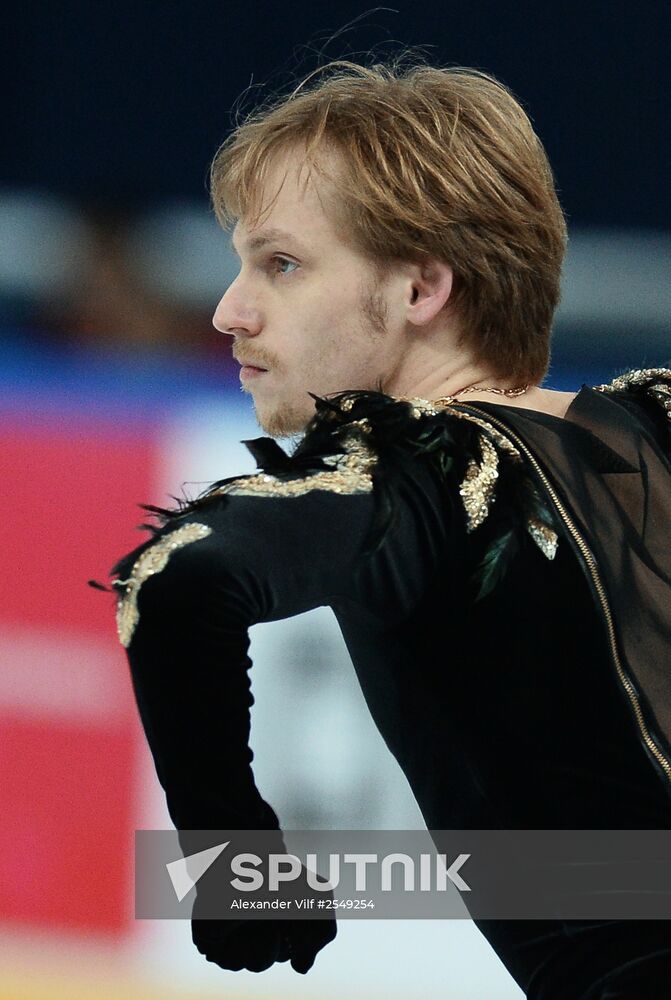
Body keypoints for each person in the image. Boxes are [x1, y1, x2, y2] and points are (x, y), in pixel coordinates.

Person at [89, 58, 671, 997]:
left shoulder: (425, 474)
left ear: (418, 291)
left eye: (281, 265)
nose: (228, 312)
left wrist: (234, 866)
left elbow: (179, 576)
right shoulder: (654, 424)